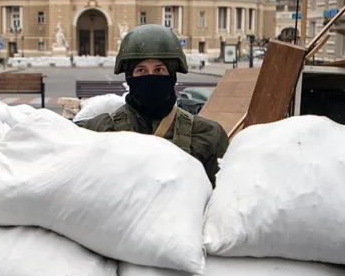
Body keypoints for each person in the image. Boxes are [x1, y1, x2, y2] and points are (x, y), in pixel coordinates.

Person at [77, 24, 230, 185]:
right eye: (141, 70)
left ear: (172, 76)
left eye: (159, 70)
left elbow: (224, 201)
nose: (150, 78)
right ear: (129, 78)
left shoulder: (207, 135)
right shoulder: (98, 131)